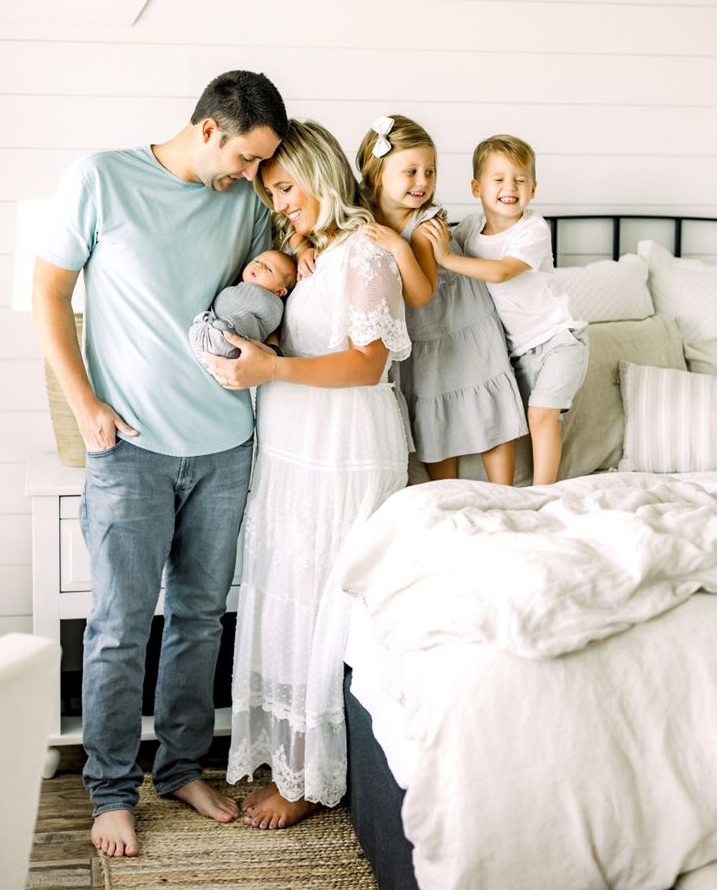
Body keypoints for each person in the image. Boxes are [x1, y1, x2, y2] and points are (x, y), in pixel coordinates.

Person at [31, 70, 288, 859]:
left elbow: (266, 294)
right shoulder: (101, 178)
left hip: (223, 446)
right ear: (210, 129)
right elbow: (49, 294)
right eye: (246, 158)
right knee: (115, 631)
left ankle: (180, 769)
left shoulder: (243, 203)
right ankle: (111, 791)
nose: (251, 178)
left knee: (199, 621)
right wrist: (83, 403)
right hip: (128, 448)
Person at [203, 118, 411, 829]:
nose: (283, 204)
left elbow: (369, 361)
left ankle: (310, 775)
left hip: (342, 442)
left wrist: (274, 368)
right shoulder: (316, 254)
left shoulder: (367, 256)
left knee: (324, 592)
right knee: (288, 583)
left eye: (288, 188)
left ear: (321, 173)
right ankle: (289, 751)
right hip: (296, 440)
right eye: (274, 194)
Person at [355, 114, 527, 484]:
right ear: (378, 173)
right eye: (411, 171)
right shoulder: (361, 215)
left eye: (430, 172)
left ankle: (506, 491)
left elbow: (420, 295)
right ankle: (445, 494)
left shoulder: (426, 222)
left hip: (460, 318)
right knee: (434, 413)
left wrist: (399, 248)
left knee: (485, 398)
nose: (423, 182)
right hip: (421, 337)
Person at [425, 133, 588, 485]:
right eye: (498, 179)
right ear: (476, 188)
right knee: (513, 418)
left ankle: (544, 495)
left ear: (533, 187)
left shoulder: (533, 229)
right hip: (517, 352)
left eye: (520, 179)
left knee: (542, 414)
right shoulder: (469, 230)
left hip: (559, 340)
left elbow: (501, 271)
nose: (509, 187)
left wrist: (448, 258)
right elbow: (432, 242)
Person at [188, 249, 296, 364]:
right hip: (212, 325)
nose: (259, 265)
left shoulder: (271, 303)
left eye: (269, 269)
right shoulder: (239, 284)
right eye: (257, 260)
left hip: (232, 338)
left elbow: (266, 322)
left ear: (279, 292)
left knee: (236, 325)